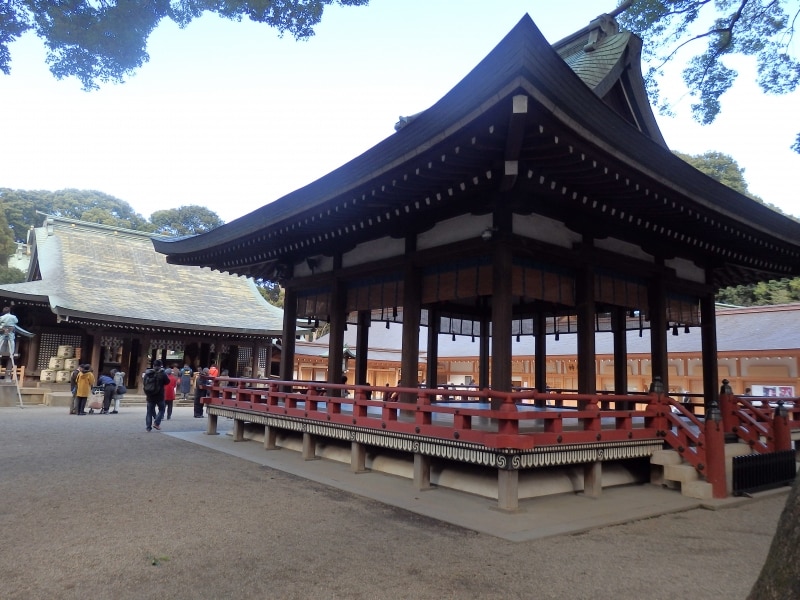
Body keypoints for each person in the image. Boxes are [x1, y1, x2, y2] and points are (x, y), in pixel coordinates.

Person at [143, 359, 169, 432]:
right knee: (162, 409)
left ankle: (148, 427)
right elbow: (167, 382)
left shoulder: (147, 373)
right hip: (159, 395)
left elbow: (144, 383)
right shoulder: (162, 373)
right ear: (160, 366)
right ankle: (157, 423)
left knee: (149, 412)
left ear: (153, 365)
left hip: (150, 395)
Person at [0, 306, 18, 379]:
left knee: (1, 339)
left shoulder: (2, 317)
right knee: (11, 340)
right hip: (11, 329)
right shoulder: (13, 317)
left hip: (3, 329)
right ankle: (12, 352)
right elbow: (16, 321)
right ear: (9, 311)